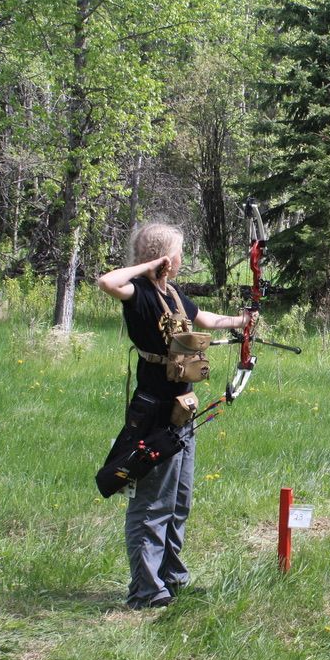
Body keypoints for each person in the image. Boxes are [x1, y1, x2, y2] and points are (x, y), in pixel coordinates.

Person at [97, 222, 251, 609]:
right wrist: (147, 266)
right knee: (152, 504)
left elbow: (206, 320)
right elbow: (107, 282)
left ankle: (171, 578)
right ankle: (146, 591)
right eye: (177, 253)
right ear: (165, 256)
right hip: (155, 411)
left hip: (183, 409)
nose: (180, 260)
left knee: (178, 500)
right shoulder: (140, 293)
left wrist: (241, 322)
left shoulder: (175, 296)